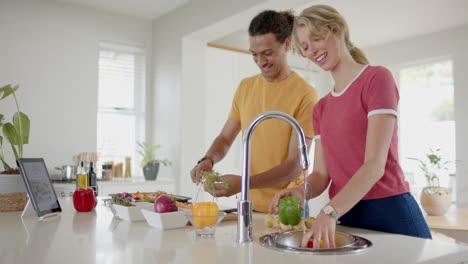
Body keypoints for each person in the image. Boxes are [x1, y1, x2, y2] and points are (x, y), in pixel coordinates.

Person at [269, 4, 432, 248]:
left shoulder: (376, 79)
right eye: (305, 47)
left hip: (390, 211)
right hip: (348, 215)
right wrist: (302, 191)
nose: (312, 50)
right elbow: (322, 175)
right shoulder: (321, 108)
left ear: (337, 30)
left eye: (316, 38)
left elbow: (374, 166)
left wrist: (330, 210)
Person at [190, 10, 319, 213]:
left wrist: (243, 183)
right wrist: (208, 159)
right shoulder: (245, 87)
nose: (261, 62)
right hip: (250, 205)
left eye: (267, 53)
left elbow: (295, 166)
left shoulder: (305, 94)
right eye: (254, 54)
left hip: (287, 206)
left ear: (286, 44)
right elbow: (225, 138)